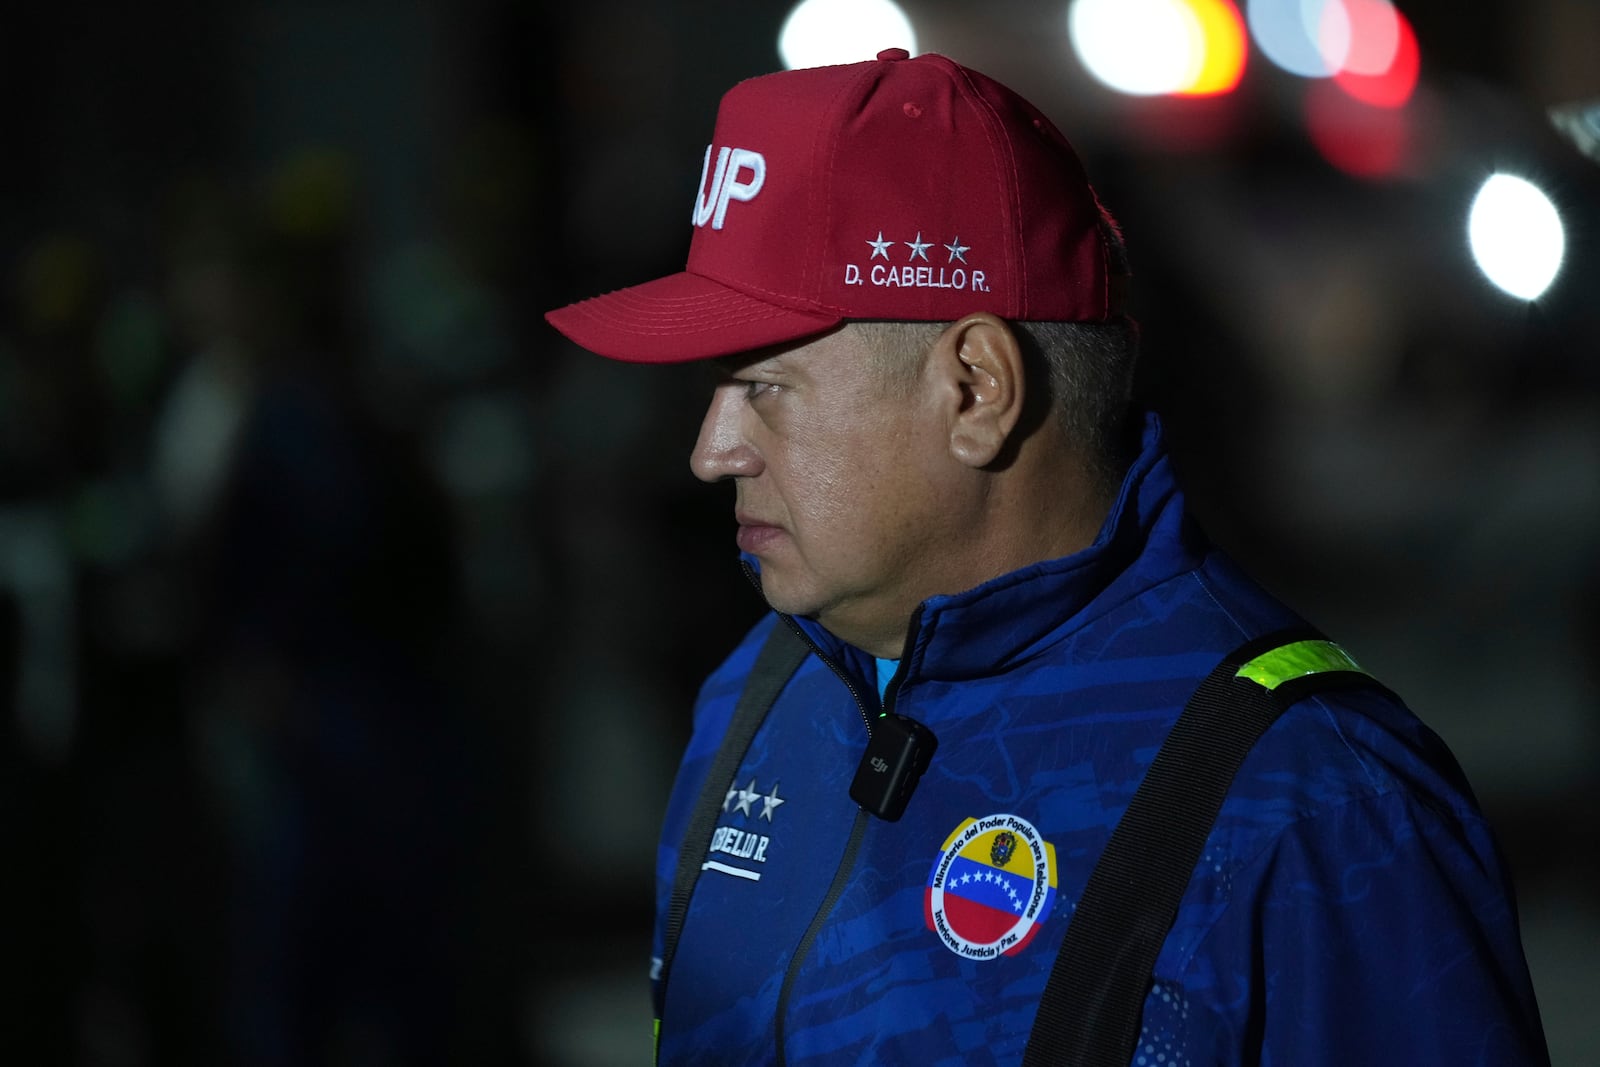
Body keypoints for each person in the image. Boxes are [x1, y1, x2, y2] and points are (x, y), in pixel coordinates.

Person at [545, 48, 1549, 1066]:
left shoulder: (1315, 802)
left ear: (975, 389)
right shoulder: (751, 702)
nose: (712, 449)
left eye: (764, 386)